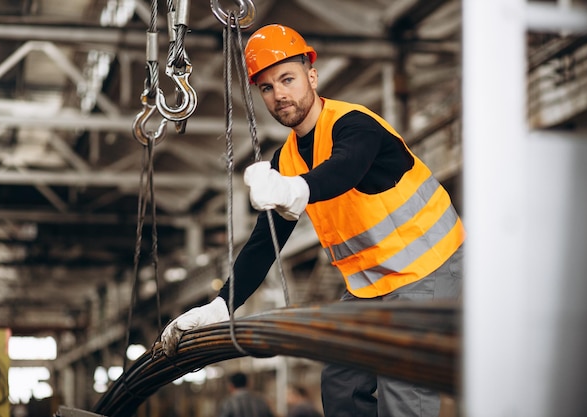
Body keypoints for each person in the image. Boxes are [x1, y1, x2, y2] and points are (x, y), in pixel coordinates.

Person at [161, 24, 465, 417]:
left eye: (287, 79)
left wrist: (296, 191)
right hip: (371, 284)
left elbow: (345, 168)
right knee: (341, 384)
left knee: (402, 389)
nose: (279, 95)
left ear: (312, 76)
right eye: (267, 87)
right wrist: (223, 305)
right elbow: (264, 242)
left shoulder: (355, 125)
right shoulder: (285, 161)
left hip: (428, 266)